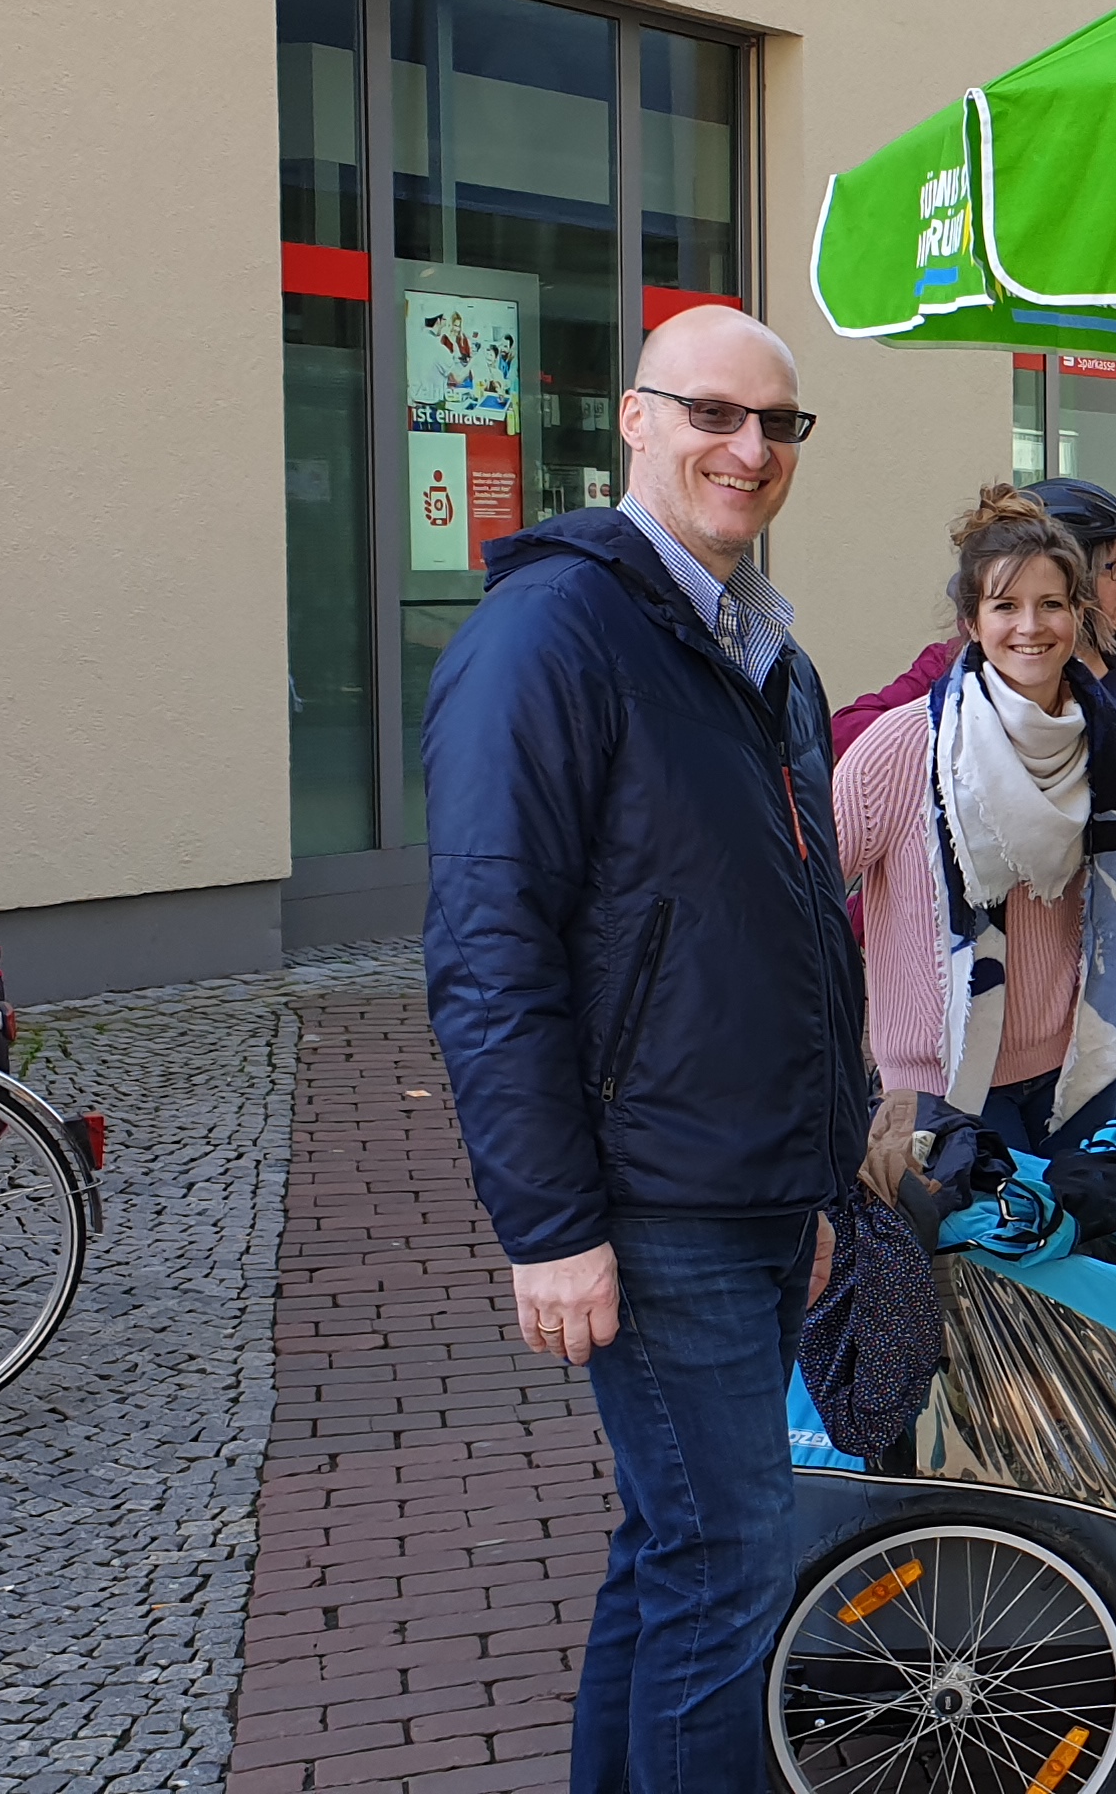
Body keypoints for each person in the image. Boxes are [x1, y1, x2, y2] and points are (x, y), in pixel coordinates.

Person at [421, 304, 863, 1792]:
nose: (749, 448)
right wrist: (549, 1228)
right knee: (728, 1560)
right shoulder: (552, 633)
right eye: (712, 413)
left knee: (680, 1547)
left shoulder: (763, 648)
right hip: (656, 1195)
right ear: (633, 418)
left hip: (752, 1186)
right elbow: (489, 956)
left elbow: (800, 932)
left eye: (777, 423)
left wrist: (820, 1179)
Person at [834, 478, 1116, 1223]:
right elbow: (805, 892)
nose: (1030, 627)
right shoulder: (904, 747)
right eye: (1005, 606)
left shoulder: (1109, 739)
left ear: (1077, 614)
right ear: (970, 621)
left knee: (1080, 1272)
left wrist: (1097, 931)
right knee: (982, 1286)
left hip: (1075, 1071)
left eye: (1051, 605)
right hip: (942, 1085)